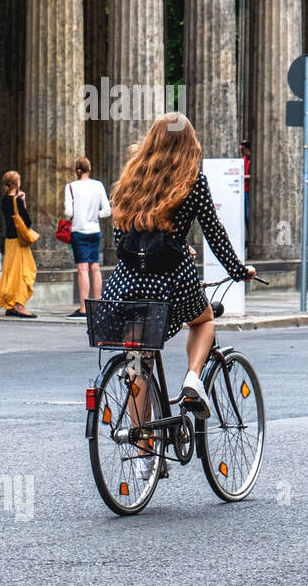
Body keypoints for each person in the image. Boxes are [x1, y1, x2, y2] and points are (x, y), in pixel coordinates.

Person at [104, 113, 255, 414]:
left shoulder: (132, 178)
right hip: (172, 281)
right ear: (189, 144)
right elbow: (214, 232)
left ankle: (144, 454)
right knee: (203, 320)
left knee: (137, 362)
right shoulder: (192, 181)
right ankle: (193, 378)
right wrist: (238, 270)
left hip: (127, 283)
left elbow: (120, 235)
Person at [64, 156, 111, 318]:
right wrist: (94, 215)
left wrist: (79, 215)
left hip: (79, 230)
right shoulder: (98, 185)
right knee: (95, 268)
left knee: (82, 269)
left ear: (76, 170)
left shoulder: (71, 187)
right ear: (89, 169)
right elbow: (107, 210)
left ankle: (84, 307)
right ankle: (97, 305)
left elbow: (68, 212)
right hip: (94, 230)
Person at [0, 170, 37, 318]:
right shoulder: (17, 201)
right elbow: (27, 222)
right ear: (16, 183)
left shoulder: (4, 200)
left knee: (11, 273)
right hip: (19, 242)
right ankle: (20, 305)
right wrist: (23, 202)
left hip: (9, 241)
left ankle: (11, 305)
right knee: (25, 272)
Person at [238, 138, 251, 249]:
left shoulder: (251, 160)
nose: (241, 152)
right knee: (243, 217)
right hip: (242, 191)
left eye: (242, 149)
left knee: (248, 216)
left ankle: (249, 240)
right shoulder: (243, 159)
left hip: (248, 191)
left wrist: (243, 177)